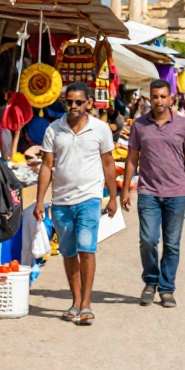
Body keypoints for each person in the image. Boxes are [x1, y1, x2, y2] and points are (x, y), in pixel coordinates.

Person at [34, 82, 118, 326]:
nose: (73, 106)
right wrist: (40, 200)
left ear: (89, 103)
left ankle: (86, 304)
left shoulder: (100, 129)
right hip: (61, 200)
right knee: (69, 252)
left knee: (86, 248)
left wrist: (112, 197)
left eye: (78, 102)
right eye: (69, 102)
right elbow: (47, 166)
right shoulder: (53, 130)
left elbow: (109, 164)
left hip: (90, 198)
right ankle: (75, 300)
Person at [121, 79, 185, 308]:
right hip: (148, 191)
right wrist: (126, 188)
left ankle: (167, 289)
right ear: (149, 98)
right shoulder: (139, 125)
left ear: (171, 99)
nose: (158, 101)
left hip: (176, 193)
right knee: (147, 240)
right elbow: (132, 158)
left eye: (162, 97)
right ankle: (150, 282)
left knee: (172, 243)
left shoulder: (183, 124)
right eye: (155, 96)